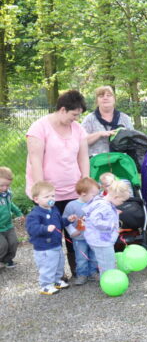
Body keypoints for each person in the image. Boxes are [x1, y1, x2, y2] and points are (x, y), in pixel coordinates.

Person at [26, 89, 90, 280]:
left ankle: (80, 269)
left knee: (75, 233)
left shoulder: (78, 129)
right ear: (62, 109)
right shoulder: (39, 128)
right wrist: (42, 192)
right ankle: (55, 274)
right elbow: (35, 161)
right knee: (52, 235)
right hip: (48, 195)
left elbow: (83, 157)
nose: (76, 118)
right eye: (74, 114)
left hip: (73, 190)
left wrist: (84, 182)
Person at [25, 181, 68, 295]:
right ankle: (45, 285)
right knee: (48, 265)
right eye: (47, 196)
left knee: (59, 263)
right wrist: (45, 228)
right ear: (36, 199)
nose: (51, 198)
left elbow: (59, 223)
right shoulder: (34, 214)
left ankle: (56, 280)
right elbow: (32, 229)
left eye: (53, 196)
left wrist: (68, 220)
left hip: (56, 244)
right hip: (44, 247)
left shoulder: (54, 209)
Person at [84, 179, 132, 273]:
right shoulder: (104, 206)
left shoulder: (106, 203)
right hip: (101, 242)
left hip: (102, 240)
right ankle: (109, 283)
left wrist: (114, 213)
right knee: (107, 266)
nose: (122, 203)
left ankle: (109, 280)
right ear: (116, 197)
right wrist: (111, 224)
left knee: (107, 263)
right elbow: (95, 220)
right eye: (122, 201)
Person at [62, 177, 100, 285]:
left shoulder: (95, 204)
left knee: (94, 256)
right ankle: (82, 274)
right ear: (83, 193)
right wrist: (72, 232)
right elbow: (65, 220)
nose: (96, 197)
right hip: (79, 238)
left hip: (93, 237)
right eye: (93, 195)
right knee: (81, 257)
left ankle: (93, 273)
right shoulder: (72, 205)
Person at [81, 86, 135, 156]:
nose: (105, 98)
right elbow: (81, 141)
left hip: (120, 161)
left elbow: (133, 141)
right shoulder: (90, 119)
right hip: (97, 162)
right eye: (101, 96)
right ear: (97, 101)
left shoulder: (125, 118)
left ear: (114, 99)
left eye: (108, 95)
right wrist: (99, 134)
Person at [0, 167, 23, 270]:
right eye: (2, 185)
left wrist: (19, 213)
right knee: (2, 245)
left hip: (8, 225)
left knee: (13, 242)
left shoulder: (7, 194)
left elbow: (11, 204)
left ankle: (8, 260)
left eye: (7, 185)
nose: (5, 188)